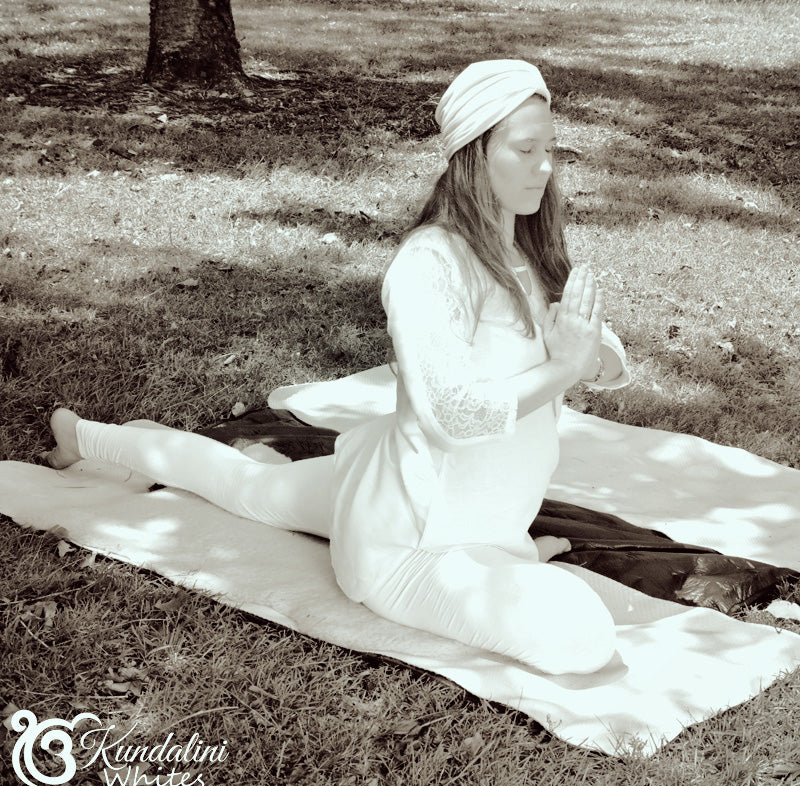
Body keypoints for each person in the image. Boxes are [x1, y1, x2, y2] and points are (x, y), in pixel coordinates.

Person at [46, 60, 630, 676]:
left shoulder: (532, 252)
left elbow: (606, 353)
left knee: (253, 487)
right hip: (408, 539)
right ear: (473, 155)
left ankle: (90, 440)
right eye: (525, 148)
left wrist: (585, 354)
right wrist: (565, 366)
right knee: (582, 637)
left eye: (550, 147)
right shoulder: (431, 263)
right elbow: (452, 415)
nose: (547, 166)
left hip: (423, 494)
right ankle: (85, 437)